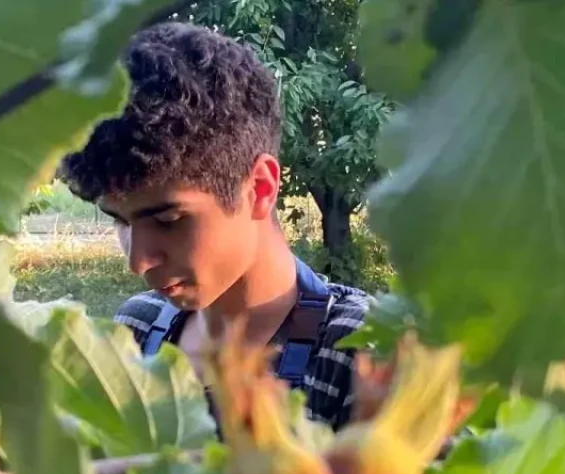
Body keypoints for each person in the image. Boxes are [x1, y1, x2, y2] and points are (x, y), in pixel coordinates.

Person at [58, 21, 373, 429]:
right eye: (119, 221)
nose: (138, 262)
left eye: (169, 221)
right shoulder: (135, 332)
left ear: (260, 188)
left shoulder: (362, 353)